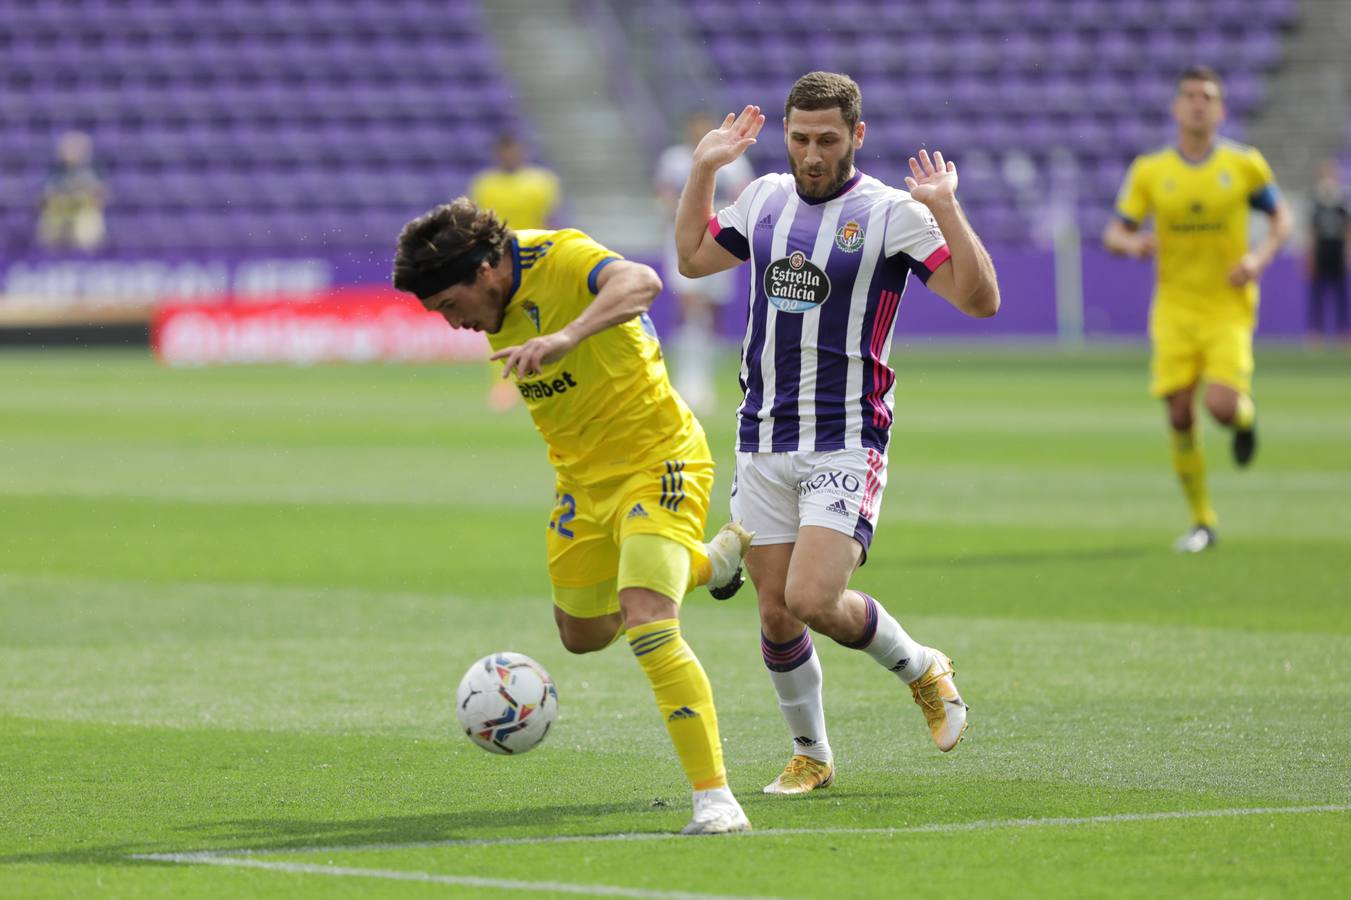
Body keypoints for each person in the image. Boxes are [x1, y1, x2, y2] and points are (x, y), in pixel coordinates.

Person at [674, 71, 1000, 795]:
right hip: (761, 435)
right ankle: (811, 754)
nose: (811, 153)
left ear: (857, 136)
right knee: (773, 610)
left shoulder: (890, 214)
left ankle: (921, 668)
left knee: (813, 598)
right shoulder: (761, 198)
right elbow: (693, 258)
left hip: (846, 436)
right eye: (799, 138)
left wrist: (946, 210)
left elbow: (981, 300)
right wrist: (703, 169)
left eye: (826, 139)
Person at [392, 197, 755, 834]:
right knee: (583, 634)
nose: (454, 325)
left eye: (450, 307)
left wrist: (567, 335)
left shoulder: (557, 256)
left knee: (647, 619)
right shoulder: (493, 303)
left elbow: (642, 281)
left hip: (658, 460)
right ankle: (708, 561)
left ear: (484, 272)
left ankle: (716, 798)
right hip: (581, 483)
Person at [1104, 65, 1292, 553]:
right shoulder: (1151, 171)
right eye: (1189, 95)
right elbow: (1114, 231)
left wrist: (1259, 257)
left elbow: (1280, 217)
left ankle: (1245, 419)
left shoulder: (1244, 165)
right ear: (1175, 107)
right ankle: (1203, 520)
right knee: (1181, 412)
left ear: (1221, 109)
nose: (1197, 103)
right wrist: (1131, 244)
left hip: (1227, 308)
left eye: (1207, 96)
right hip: (1173, 307)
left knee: (1221, 407)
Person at [655, 113, 756, 414]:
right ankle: (688, 376)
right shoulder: (674, 159)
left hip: (720, 238)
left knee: (712, 307)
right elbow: (663, 195)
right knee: (688, 302)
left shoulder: (735, 161)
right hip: (683, 236)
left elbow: (743, 198)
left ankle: (704, 376)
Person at [470, 135, 564, 411]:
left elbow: (550, 220)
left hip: (534, 259)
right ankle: (503, 385)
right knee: (498, 321)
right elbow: (480, 223)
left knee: (543, 319)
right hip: (498, 262)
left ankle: (549, 378)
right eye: (506, 150)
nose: (510, 155)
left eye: (514, 149)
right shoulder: (485, 184)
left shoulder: (541, 182)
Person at [37, 130, 107, 250]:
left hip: (82, 212)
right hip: (59, 212)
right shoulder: (55, 171)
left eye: (75, 148)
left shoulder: (92, 171)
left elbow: (100, 197)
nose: (70, 151)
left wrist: (81, 199)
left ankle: (86, 260)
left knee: (89, 223)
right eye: (68, 148)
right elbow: (43, 199)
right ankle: (48, 259)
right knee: (48, 224)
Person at [1306, 159, 1349, 346]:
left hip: (1337, 252)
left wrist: (1348, 254)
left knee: (1342, 295)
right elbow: (1312, 232)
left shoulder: (1342, 202)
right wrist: (1310, 256)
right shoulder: (1316, 202)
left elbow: (1348, 230)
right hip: (1322, 252)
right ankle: (1316, 333)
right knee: (1318, 295)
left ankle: (1343, 331)